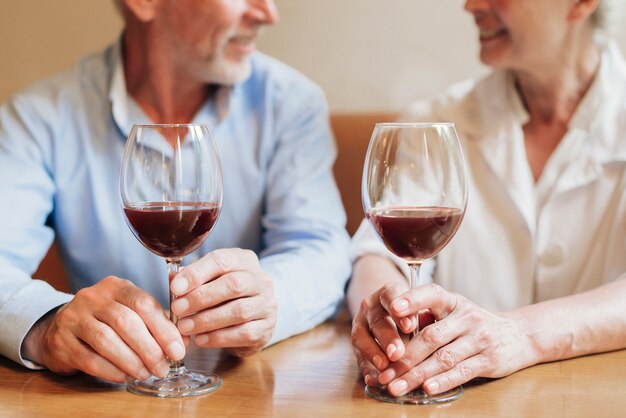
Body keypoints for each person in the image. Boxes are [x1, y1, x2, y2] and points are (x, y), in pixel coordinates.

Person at [0, 0, 351, 384]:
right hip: (111, 398)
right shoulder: (37, 120)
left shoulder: (291, 104)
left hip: (250, 391)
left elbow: (320, 247)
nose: (268, 13)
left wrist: (272, 301)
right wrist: (47, 324)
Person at [349, 0, 626, 398]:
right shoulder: (437, 120)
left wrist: (520, 335)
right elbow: (376, 257)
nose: (471, 5)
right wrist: (382, 322)